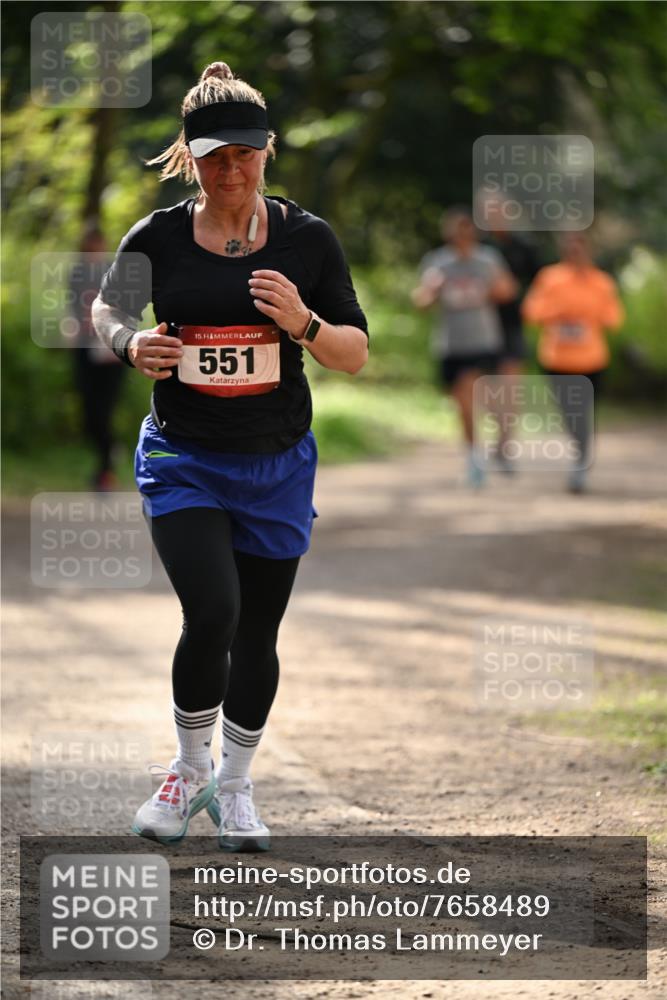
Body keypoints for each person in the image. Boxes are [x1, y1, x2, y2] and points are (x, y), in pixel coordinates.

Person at [92, 62, 369, 850]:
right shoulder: (159, 237)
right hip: (184, 455)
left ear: (266, 151)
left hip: (276, 461)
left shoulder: (307, 240)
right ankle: (186, 773)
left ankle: (237, 787)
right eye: (213, 156)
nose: (230, 170)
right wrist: (127, 340)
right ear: (190, 156)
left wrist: (304, 324)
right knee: (211, 610)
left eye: (244, 154)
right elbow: (109, 304)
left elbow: (353, 354)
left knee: (257, 633)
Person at [411, 208, 517, 488]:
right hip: (450, 343)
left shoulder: (487, 259)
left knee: (480, 398)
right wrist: (432, 289)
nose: (461, 234)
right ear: (448, 233)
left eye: (466, 228)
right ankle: (474, 456)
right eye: (456, 229)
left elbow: (509, 291)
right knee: (463, 402)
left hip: (483, 340)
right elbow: (420, 302)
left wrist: (490, 288)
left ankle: (496, 447)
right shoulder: (437, 262)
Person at [521, 231, 624, 493]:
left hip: (592, 359)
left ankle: (580, 462)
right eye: (570, 247)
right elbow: (531, 312)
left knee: (584, 413)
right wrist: (561, 313)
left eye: (580, 247)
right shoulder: (550, 278)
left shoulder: (601, 282)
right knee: (569, 413)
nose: (575, 252)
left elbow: (614, 318)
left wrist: (587, 316)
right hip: (557, 359)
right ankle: (580, 455)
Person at [479, 193, 542, 473]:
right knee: (485, 390)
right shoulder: (479, 247)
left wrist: (524, 302)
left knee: (510, 388)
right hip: (480, 328)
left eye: (499, 210)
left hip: (513, 325)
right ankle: (498, 437)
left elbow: (541, 285)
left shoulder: (525, 247)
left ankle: (505, 446)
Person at [69, 223, 126, 490]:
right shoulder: (76, 273)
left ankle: (105, 471)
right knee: (89, 414)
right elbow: (73, 309)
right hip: (83, 349)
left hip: (110, 352)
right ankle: (109, 453)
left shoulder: (115, 273)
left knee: (103, 412)